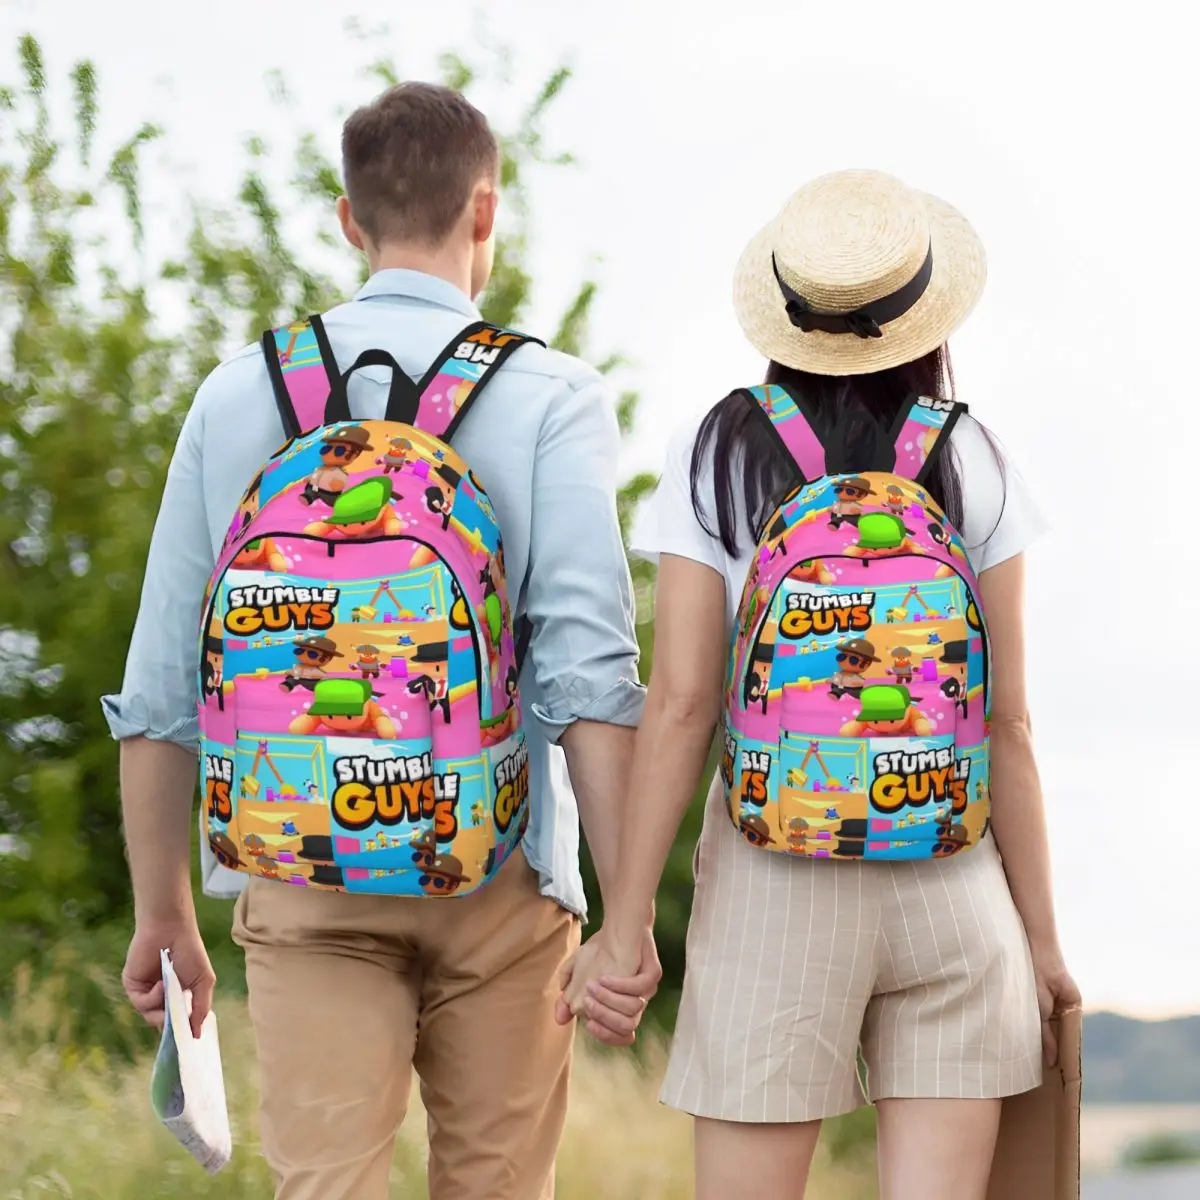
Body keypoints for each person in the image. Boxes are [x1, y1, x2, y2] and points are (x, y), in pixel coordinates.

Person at [103, 82, 659, 1200]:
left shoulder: (236, 395)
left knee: (326, 1186)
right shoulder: (551, 395)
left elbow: (163, 685)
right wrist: (627, 916)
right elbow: (592, 677)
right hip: (499, 871)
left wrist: (162, 912)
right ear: (485, 213)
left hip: (299, 867)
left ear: (349, 221)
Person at [558, 170, 1080, 1200]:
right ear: (923, 315)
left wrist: (624, 927)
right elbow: (1009, 722)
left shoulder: (716, 451)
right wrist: (1044, 942)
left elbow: (681, 706)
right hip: (952, 876)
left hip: (773, 880)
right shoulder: (972, 455)